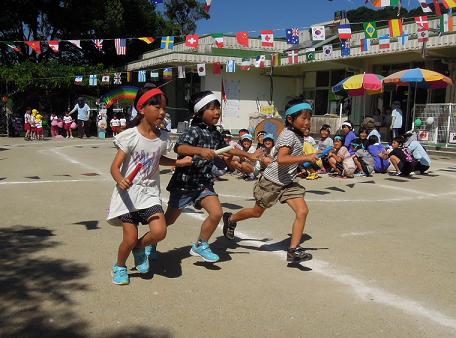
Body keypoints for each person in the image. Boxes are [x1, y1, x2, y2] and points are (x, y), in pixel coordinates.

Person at [107, 84, 192, 285]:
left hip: (150, 193)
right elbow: (114, 167)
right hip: (127, 195)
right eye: (157, 108)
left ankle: (139, 248)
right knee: (128, 238)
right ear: (142, 109)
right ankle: (119, 266)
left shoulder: (162, 137)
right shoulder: (131, 136)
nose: (162, 112)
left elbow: (157, 157)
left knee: (159, 231)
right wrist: (120, 179)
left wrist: (176, 162)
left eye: (164, 109)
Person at [164, 91, 258, 263]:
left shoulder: (215, 132)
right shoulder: (193, 131)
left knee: (216, 213)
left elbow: (227, 149)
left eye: (218, 108)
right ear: (200, 112)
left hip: (204, 183)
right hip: (184, 183)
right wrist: (200, 151)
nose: (217, 112)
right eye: (212, 109)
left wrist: (247, 156)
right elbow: (180, 148)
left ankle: (201, 244)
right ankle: (150, 243)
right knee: (167, 222)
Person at [222, 99, 317, 264]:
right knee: (257, 213)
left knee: (302, 211)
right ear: (290, 119)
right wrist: (306, 158)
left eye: (309, 118)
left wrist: (302, 168)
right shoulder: (288, 135)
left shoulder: (298, 135)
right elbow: (282, 159)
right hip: (271, 182)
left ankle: (293, 250)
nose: (307, 122)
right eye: (303, 118)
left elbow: (290, 160)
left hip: (287, 182)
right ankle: (231, 219)